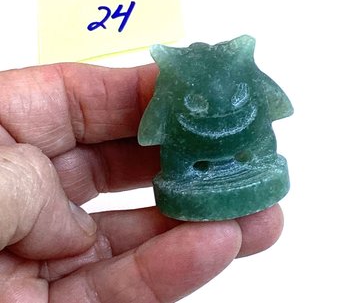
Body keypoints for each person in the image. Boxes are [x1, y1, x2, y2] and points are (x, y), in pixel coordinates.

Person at [0, 62, 284, 302]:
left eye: (235, 96)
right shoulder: (171, 102)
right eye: (198, 102)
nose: (218, 114)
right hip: (186, 168)